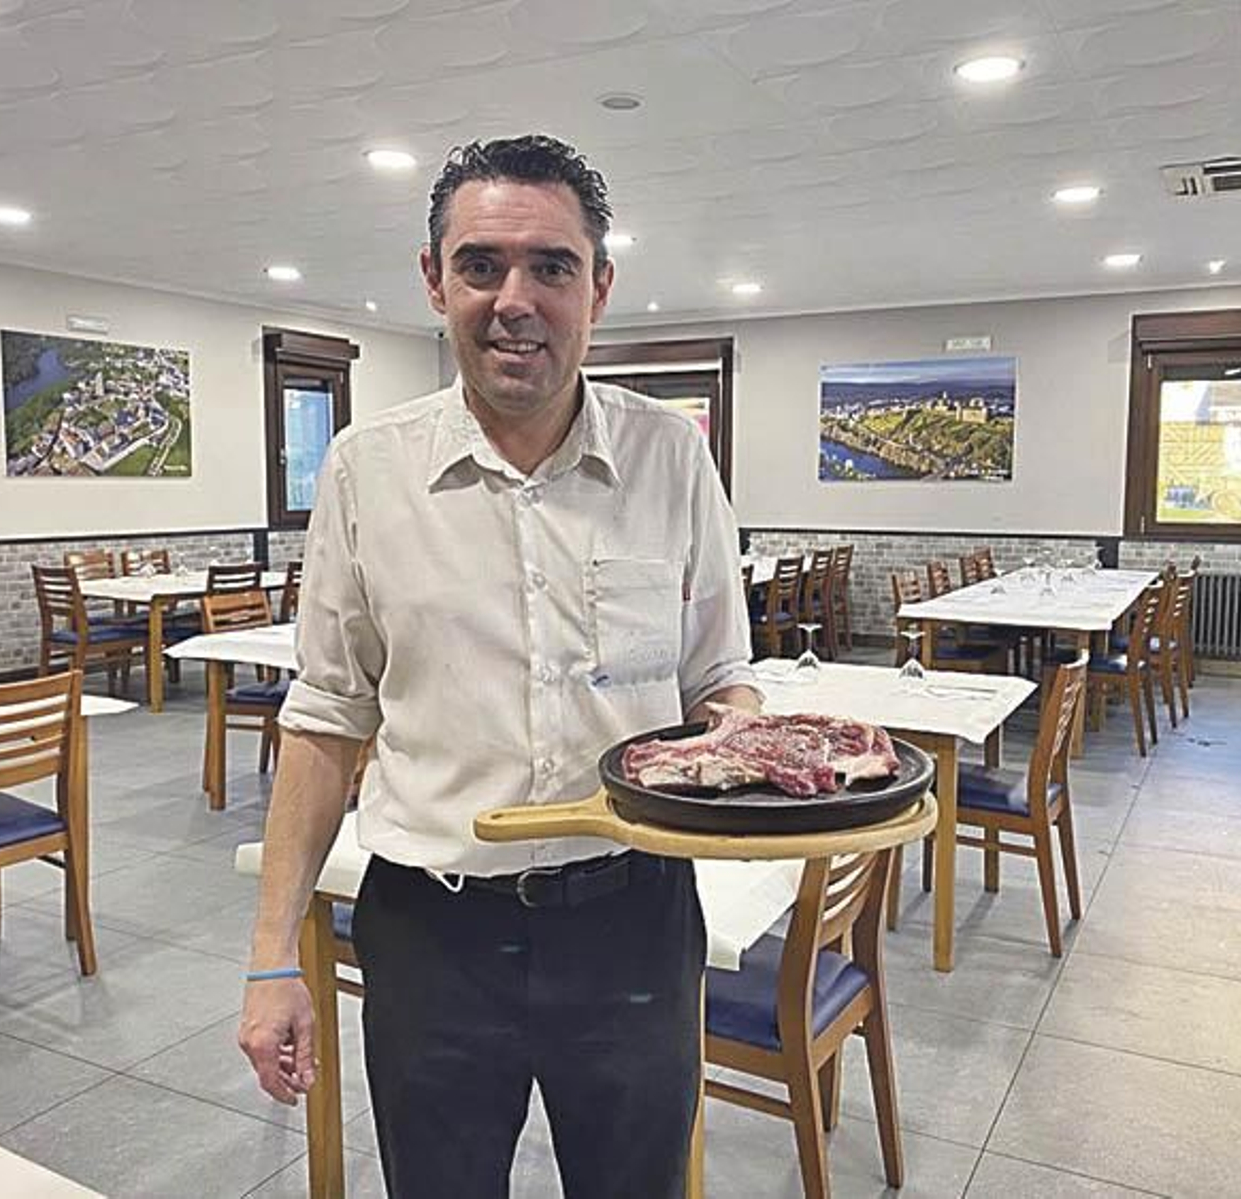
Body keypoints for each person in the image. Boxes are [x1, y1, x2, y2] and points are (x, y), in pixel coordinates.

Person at [237, 133, 759, 1198]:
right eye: (480, 264)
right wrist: (271, 955)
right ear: (435, 280)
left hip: (633, 920)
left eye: (551, 267)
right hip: (431, 930)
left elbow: (721, 679)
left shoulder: (671, 456)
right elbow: (327, 718)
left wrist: (736, 729)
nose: (513, 297)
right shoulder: (365, 469)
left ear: (598, 288)